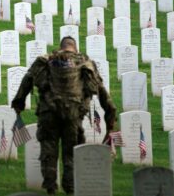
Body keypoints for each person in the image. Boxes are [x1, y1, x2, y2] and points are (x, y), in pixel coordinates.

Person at [11, 36, 117, 195]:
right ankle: (70, 187)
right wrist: (110, 117)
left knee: (49, 150)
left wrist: (19, 104)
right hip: (73, 114)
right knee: (71, 152)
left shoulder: (45, 61)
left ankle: (51, 187)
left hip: (48, 112)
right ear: (75, 48)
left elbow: (27, 81)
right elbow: (102, 93)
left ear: (60, 47)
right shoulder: (85, 63)